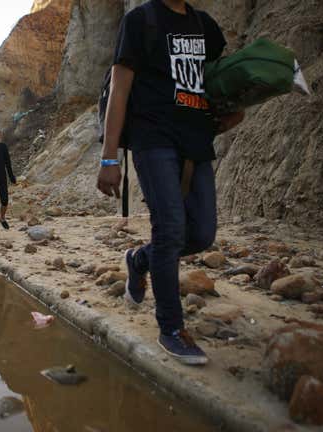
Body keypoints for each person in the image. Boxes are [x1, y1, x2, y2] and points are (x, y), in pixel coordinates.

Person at [97, 0, 244, 366]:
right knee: (170, 229)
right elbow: (120, 88)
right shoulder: (139, 22)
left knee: (202, 234)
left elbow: (217, 80)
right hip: (153, 138)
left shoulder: (206, 26)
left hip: (195, 139)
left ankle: (139, 260)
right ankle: (171, 328)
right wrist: (109, 156)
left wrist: (236, 107)